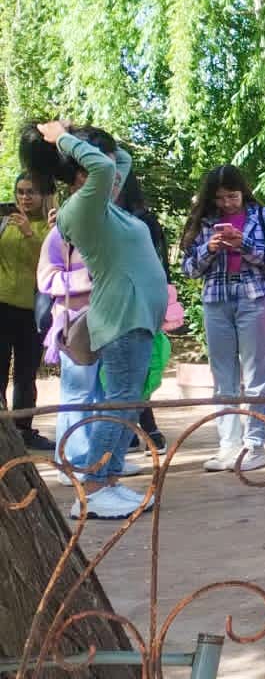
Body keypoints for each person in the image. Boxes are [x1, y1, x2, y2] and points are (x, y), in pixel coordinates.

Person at [25, 122, 167, 521]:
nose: (112, 168)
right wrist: (62, 138)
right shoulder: (82, 208)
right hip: (120, 317)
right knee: (119, 402)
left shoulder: (105, 206)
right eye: (98, 159)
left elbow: (121, 160)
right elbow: (105, 168)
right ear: (80, 170)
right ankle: (92, 487)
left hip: (135, 317)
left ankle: (108, 479)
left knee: (128, 403)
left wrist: (79, 138)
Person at [181, 165, 265, 472]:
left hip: (255, 299)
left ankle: (254, 446)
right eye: (220, 198)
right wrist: (209, 249)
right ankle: (228, 445)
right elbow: (189, 269)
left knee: (256, 379)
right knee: (223, 378)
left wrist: (245, 246)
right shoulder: (203, 222)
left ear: (243, 192)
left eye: (232, 196)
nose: (227, 203)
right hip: (216, 302)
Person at [117, 172, 172, 453]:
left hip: (138, 303)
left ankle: (144, 429)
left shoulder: (141, 221)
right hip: (114, 303)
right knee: (123, 373)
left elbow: (155, 265)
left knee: (137, 369)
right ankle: (136, 430)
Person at [2, 174, 51, 450]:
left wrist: (30, 234)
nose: (25, 198)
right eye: (20, 192)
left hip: (33, 309)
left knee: (25, 373)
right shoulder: (5, 222)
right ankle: (3, 432)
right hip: (2, 304)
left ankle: (23, 430)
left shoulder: (50, 225)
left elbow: (49, 260)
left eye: (31, 192)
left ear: (43, 195)